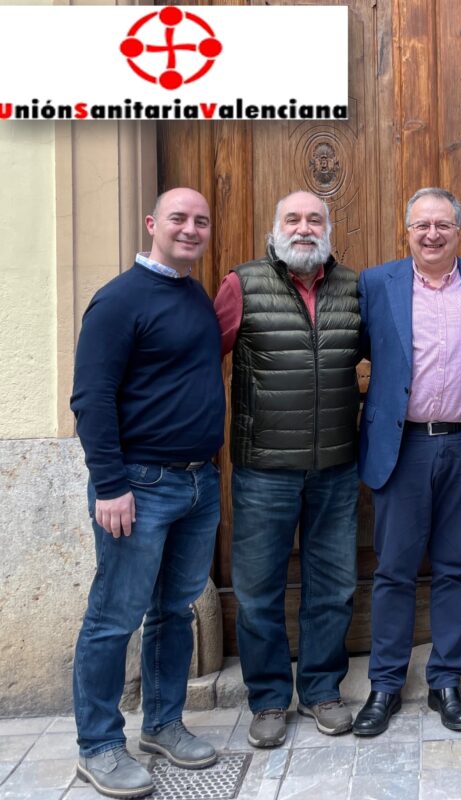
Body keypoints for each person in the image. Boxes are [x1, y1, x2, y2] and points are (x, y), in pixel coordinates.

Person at [70, 188, 225, 799]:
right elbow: (91, 399)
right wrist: (110, 484)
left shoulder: (193, 294)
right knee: (114, 618)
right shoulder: (118, 300)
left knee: (172, 611)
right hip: (138, 484)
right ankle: (99, 745)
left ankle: (162, 724)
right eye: (179, 219)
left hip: (196, 482)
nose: (190, 229)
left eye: (200, 221)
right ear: (152, 224)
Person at [353, 187, 461, 736]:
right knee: (394, 570)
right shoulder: (378, 283)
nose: (432, 234)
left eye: (442, 224)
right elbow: (345, 346)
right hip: (403, 445)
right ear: (407, 230)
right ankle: (385, 685)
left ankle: (445, 681)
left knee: (454, 566)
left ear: (458, 229)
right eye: (422, 225)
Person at [214, 190, 360, 748]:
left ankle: (323, 689)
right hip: (264, 471)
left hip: (336, 469)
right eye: (293, 219)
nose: (304, 228)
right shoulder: (242, 284)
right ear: (275, 229)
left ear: (328, 228)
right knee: (257, 591)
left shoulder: (352, 287)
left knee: (334, 586)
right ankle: (270, 699)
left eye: (314, 219)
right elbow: (203, 359)